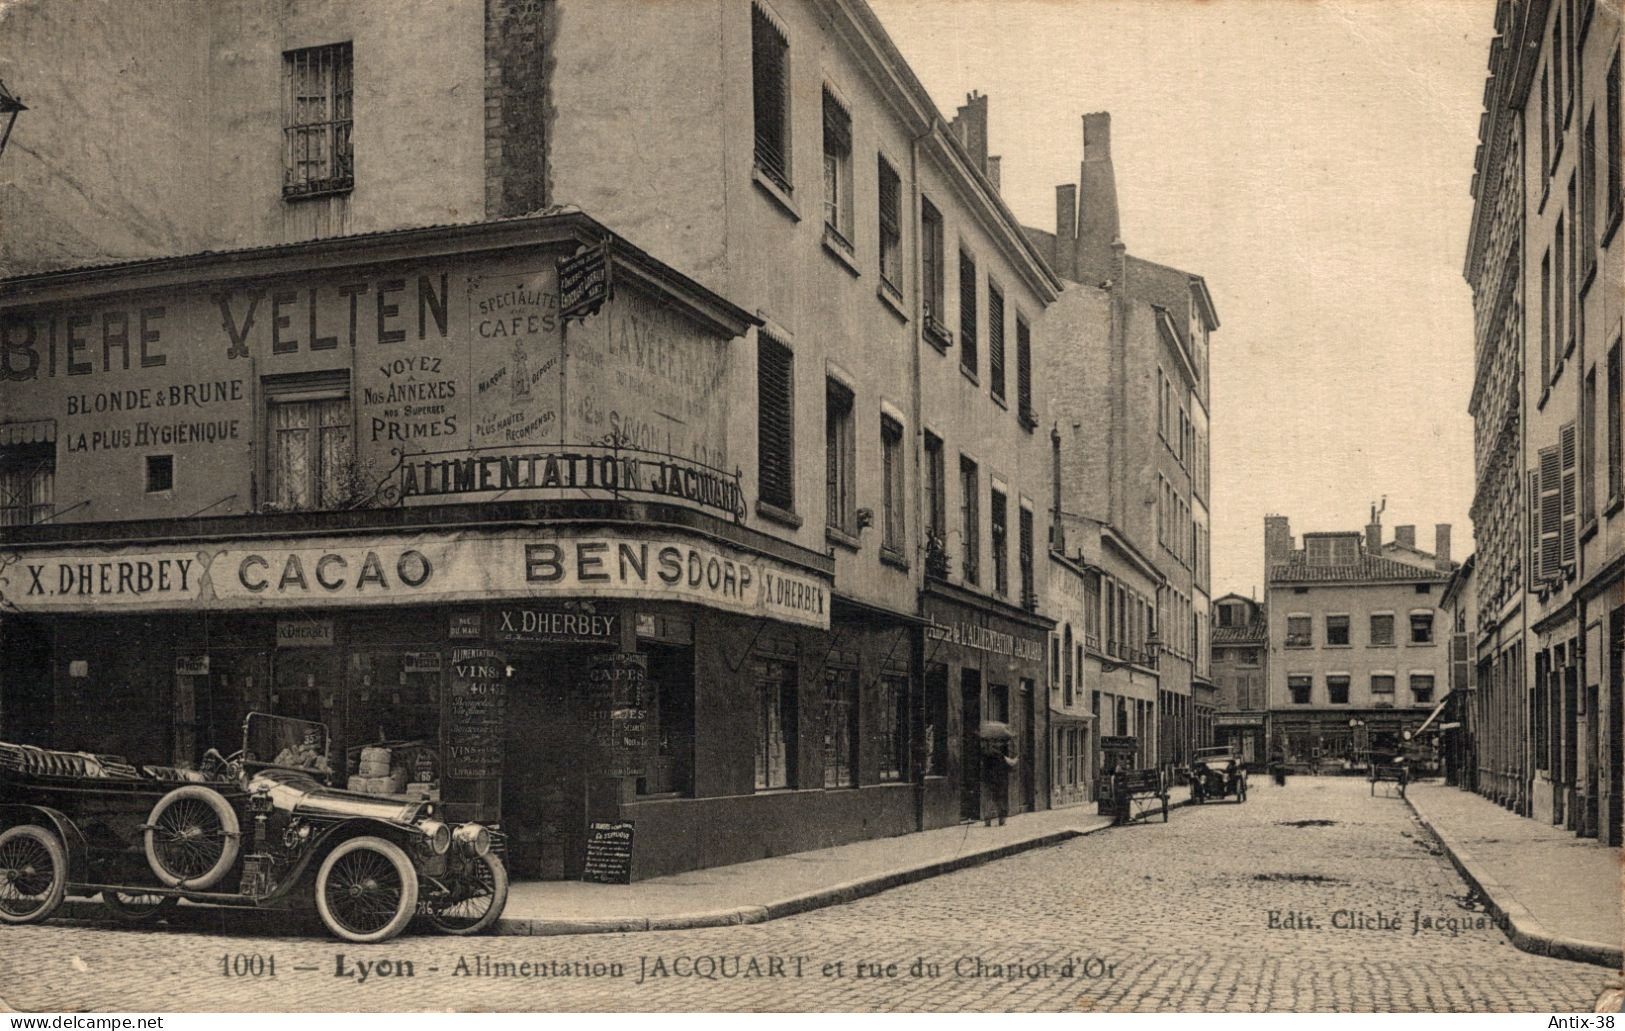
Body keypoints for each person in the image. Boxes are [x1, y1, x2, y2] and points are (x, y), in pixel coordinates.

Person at [981, 739, 1017, 827]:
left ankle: (987, 820)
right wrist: (1016, 757)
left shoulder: (985, 754)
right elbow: (1011, 764)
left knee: (988, 799)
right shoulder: (1000, 755)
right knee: (1000, 800)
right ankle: (1001, 820)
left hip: (987, 780)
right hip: (999, 781)